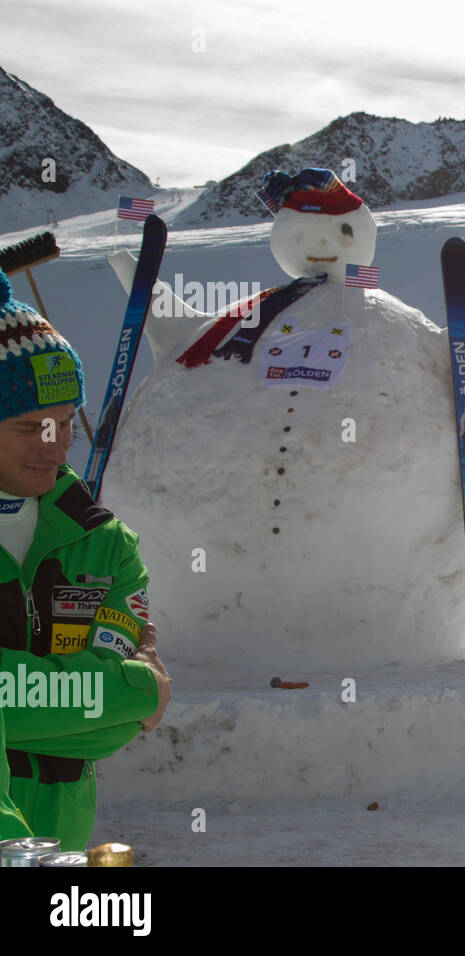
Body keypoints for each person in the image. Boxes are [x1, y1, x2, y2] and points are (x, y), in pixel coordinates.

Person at [0, 270, 171, 850]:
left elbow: (125, 716)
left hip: (63, 843)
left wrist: (132, 696)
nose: (54, 444)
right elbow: (121, 698)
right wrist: (108, 697)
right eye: (29, 427)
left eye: (67, 422)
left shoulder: (106, 543)